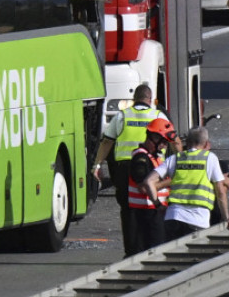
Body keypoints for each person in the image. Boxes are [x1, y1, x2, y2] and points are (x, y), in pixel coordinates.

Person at [92, 84, 165, 256]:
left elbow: (107, 141)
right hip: (154, 167)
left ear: (134, 100)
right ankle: (154, 249)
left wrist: (97, 165)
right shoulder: (157, 115)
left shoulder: (122, 116)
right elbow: (173, 140)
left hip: (126, 168)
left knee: (129, 209)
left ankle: (132, 251)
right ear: (149, 99)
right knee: (154, 207)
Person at [142, 125, 229, 242]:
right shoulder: (210, 158)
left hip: (173, 217)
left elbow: (148, 182)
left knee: (171, 256)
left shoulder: (175, 158)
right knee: (194, 258)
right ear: (206, 143)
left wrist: (158, 205)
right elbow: (221, 192)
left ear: (187, 142)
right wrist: (226, 218)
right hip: (197, 220)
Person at [125, 118, 177, 254]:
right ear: (154, 137)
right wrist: (172, 181)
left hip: (154, 212)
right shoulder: (141, 159)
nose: (165, 146)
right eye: (164, 141)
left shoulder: (154, 157)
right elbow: (143, 188)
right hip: (143, 215)